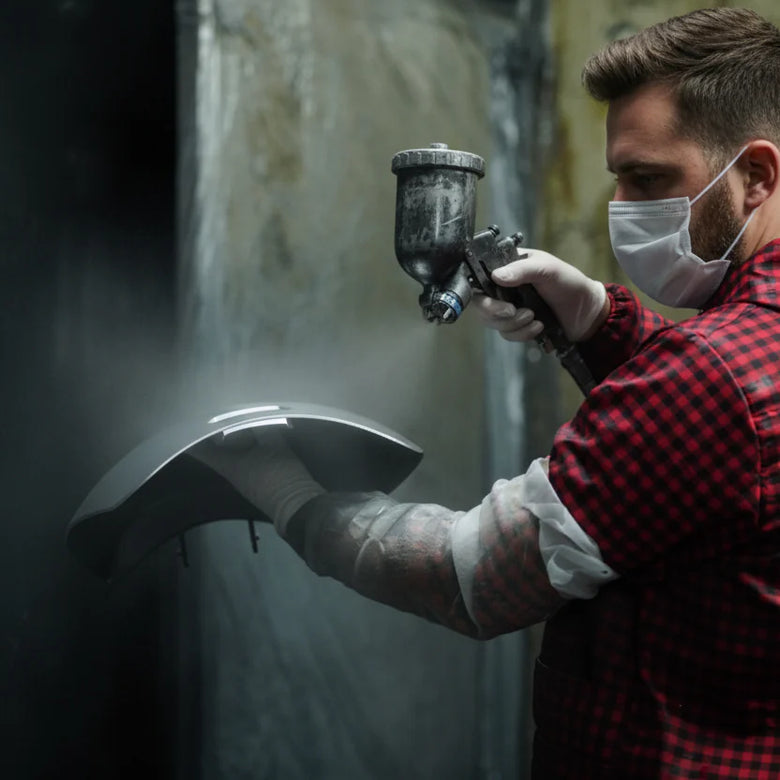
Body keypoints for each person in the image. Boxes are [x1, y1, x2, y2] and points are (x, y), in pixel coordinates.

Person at [195, 8, 780, 778]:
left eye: (650, 179)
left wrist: (289, 496)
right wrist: (599, 321)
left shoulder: (709, 381)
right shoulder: (737, 361)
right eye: (620, 181)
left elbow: (464, 579)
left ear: (757, 174)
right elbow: (731, 450)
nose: (628, 209)